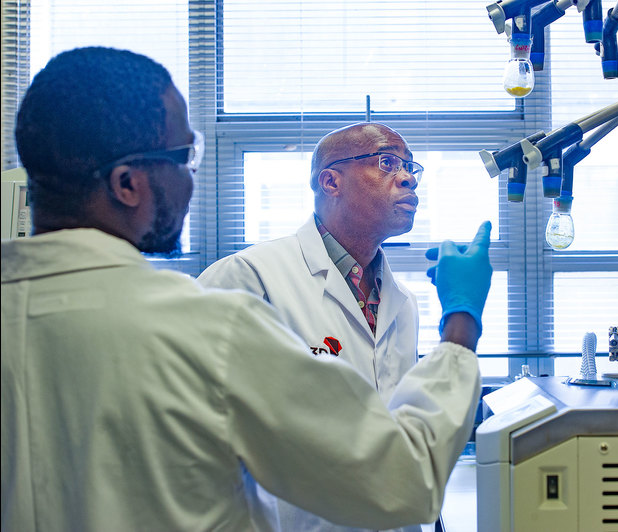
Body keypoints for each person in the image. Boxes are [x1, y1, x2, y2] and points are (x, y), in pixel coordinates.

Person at [1, 46, 493, 531]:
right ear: (127, 183)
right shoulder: (223, 309)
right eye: (185, 156)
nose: (193, 179)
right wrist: (462, 324)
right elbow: (400, 479)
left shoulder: (399, 302)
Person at [198, 123, 427, 532]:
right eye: (388, 162)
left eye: (410, 166)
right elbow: (190, 426)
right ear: (331, 181)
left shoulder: (402, 304)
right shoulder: (251, 277)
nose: (408, 177)